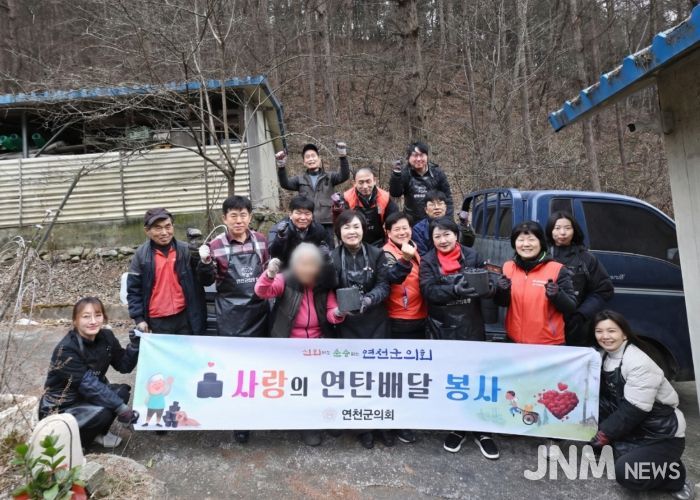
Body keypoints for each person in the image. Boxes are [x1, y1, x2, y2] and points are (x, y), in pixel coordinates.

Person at [419, 217, 500, 460]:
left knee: (475, 376)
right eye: (437, 236)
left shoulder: (472, 255)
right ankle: (457, 427)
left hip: (472, 324)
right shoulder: (428, 261)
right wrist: (454, 290)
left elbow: (486, 280)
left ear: (456, 235)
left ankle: (481, 430)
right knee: (451, 379)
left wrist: (490, 287)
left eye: (447, 234)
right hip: (442, 326)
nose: (443, 240)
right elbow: (428, 291)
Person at [590, 310, 693, 500]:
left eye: (611, 331)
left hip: (659, 434)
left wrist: (604, 433)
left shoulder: (638, 362)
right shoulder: (604, 356)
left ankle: (675, 475)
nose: (605, 336)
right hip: (635, 428)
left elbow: (634, 409)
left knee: (626, 472)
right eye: (599, 331)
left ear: (624, 334)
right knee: (588, 409)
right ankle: (627, 450)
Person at [255, 243, 346, 447]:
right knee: (297, 387)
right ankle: (302, 424)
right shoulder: (285, 280)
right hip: (289, 344)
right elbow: (262, 291)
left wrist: (339, 312)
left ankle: (323, 419)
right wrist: (269, 274)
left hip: (317, 344)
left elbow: (331, 313)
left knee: (318, 386)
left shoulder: (324, 286)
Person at [197, 195, 269, 444]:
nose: (239, 220)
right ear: (224, 218)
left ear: (250, 216)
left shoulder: (261, 240)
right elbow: (206, 280)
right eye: (233, 216)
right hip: (230, 316)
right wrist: (205, 262)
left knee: (257, 369)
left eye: (243, 215)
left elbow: (267, 274)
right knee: (236, 371)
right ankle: (240, 420)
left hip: (258, 314)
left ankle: (259, 411)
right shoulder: (215, 245)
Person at [38, 297, 140, 448]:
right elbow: (88, 385)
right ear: (75, 321)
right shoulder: (67, 349)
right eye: (86, 316)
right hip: (62, 406)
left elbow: (124, 366)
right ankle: (78, 444)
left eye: (98, 315)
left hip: (86, 396)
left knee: (122, 393)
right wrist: (122, 409)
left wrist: (135, 346)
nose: (93, 321)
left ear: (104, 317)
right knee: (106, 410)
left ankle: (97, 434)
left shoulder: (106, 337)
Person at [331, 210, 392, 449]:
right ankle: (362, 427)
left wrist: (369, 299)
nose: (352, 231)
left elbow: (384, 285)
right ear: (339, 232)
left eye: (356, 226)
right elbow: (327, 289)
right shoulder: (332, 257)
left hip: (376, 322)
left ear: (363, 229)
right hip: (347, 325)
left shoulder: (377, 254)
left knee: (379, 376)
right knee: (355, 377)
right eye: (346, 227)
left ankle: (383, 424)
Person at [382, 211, 427, 445]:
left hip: (420, 316)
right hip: (399, 319)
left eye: (405, 228)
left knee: (414, 374)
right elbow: (392, 277)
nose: (402, 232)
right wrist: (405, 260)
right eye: (397, 229)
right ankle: (397, 422)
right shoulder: (386, 253)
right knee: (398, 376)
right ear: (388, 232)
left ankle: (409, 416)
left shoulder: (413, 248)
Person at [494, 221, 577, 345]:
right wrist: (501, 291)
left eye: (531, 240)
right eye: (521, 240)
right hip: (514, 341)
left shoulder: (557, 269)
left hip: (549, 343)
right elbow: (502, 303)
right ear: (514, 243)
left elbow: (571, 307)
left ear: (541, 242)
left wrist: (557, 295)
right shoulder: (507, 267)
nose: (526, 244)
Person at [126, 208, 206, 335]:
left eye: (168, 226)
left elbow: (205, 279)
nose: (164, 232)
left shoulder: (186, 250)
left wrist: (203, 260)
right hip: (157, 320)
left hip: (185, 316)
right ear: (147, 231)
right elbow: (133, 290)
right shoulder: (141, 256)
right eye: (158, 228)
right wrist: (139, 318)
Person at [545, 211, 614, 346]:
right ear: (550, 231)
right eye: (557, 228)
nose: (562, 233)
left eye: (567, 228)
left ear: (574, 230)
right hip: (544, 325)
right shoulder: (542, 256)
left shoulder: (586, 258)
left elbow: (604, 290)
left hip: (576, 328)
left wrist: (581, 314)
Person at [275, 142, 351, 243]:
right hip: (307, 224)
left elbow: (344, 175)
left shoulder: (329, 177)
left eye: (313, 156)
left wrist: (342, 155)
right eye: (307, 157)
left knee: (328, 250)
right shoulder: (299, 179)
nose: (311, 159)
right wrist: (281, 166)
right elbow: (285, 184)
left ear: (319, 159)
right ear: (304, 162)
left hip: (327, 223)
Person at [389, 141, 453, 222]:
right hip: (412, 221)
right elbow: (395, 193)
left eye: (422, 155)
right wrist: (396, 175)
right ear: (409, 158)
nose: (418, 159)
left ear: (427, 156)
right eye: (415, 155)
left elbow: (447, 198)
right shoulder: (405, 173)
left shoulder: (437, 173)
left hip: (435, 220)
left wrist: (448, 219)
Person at [339, 167, 399, 246]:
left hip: (379, 240)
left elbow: (394, 222)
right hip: (355, 241)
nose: (365, 186)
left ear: (374, 181)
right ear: (354, 183)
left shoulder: (385, 197)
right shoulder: (346, 198)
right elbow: (341, 226)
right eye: (361, 182)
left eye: (368, 181)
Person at [268, 196, 330, 266]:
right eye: (298, 213)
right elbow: (273, 254)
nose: (303, 218)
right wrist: (280, 237)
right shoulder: (279, 229)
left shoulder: (318, 229)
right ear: (290, 214)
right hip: (285, 268)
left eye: (307, 214)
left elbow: (325, 249)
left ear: (312, 215)